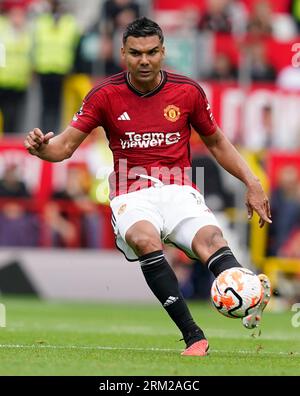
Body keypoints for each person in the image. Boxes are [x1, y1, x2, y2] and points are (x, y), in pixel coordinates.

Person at [24, 17, 272, 357]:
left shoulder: (187, 92)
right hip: (132, 193)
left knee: (212, 242)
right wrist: (42, 149)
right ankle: (193, 336)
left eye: (152, 52)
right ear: (123, 53)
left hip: (179, 190)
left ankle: (247, 293)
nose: (145, 60)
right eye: (137, 53)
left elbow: (216, 142)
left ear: (163, 52)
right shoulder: (104, 95)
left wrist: (252, 181)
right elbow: (63, 148)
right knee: (144, 239)